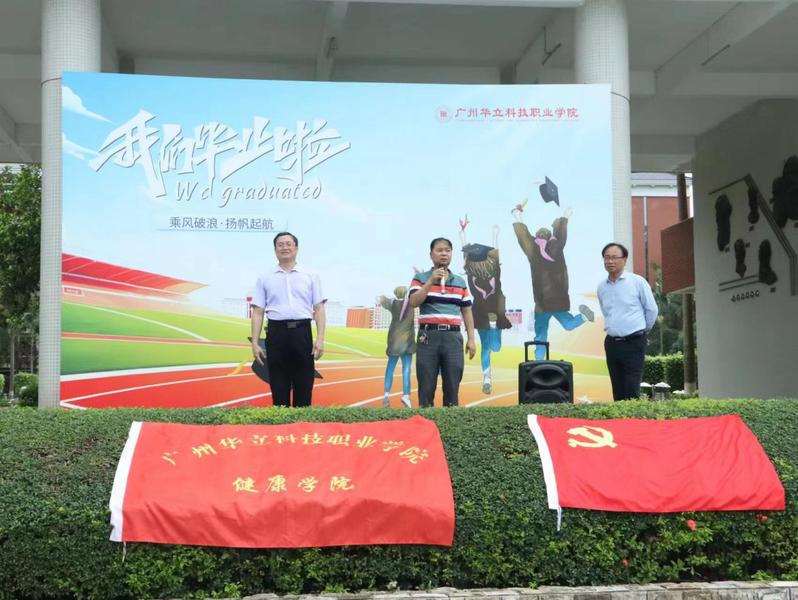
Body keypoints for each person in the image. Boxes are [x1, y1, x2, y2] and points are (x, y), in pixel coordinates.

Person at [250, 231, 326, 407]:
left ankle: (301, 421)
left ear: (296, 248)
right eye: (280, 244)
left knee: (304, 383)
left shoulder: (310, 275)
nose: (284, 247)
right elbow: (258, 311)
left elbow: (319, 308)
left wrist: (320, 339)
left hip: (302, 332)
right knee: (278, 383)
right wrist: (254, 342)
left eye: (288, 244)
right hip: (276, 333)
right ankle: (281, 421)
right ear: (275, 250)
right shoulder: (265, 277)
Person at [512, 202, 594, 360]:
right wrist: (565, 216)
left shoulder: (534, 251)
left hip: (542, 302)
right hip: (558, 300)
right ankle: (583, 317)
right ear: (550, 237)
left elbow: (524, 237)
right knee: (568, 324)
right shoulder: (556, 246)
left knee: (541, 334)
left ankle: (538, 360)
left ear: (537, 237)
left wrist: (518, 216)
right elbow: (560, 234)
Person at [408, 237, 476, 407]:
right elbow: (413, 302)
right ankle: (425, 420)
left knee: (452, 386)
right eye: (439, 250)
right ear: (431, 255)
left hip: (453, 337)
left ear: (451, 254)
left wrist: (471, 339)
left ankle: (451, 420)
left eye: (447, 250)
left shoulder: (460, 282)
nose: (444, 254)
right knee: (426, 386)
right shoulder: (420, 278)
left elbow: (467, 311)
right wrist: (430, 281)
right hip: (428, 336)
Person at [597, 242, 659, 401]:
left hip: (634, 341)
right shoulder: (602, 287)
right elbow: (606, 312)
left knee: (631, 387)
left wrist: (643, 331)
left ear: (624, 260)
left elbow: (651, 310)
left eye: (614, 257)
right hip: (611, 342)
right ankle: (619, 417)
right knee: (617, 388)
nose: (610, 261)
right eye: (607, 258)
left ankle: (633, 416)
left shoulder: (637, 282)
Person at [459, 217, 512, 394]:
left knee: (494, 347)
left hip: (492, 313)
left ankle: (494, 326)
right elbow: (470, 256)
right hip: (484, 314)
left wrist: (494, 235)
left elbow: (474, 256)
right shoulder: (475, 274)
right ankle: (487, 378)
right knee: (488, 347)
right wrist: (463, 235)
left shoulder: (492, 273)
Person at [378, 286, 416, 408]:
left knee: (390, 368)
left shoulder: (392, 304)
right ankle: (406, 396)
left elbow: (380, 298)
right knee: (406, 369)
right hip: (407, 343)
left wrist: (391, 298)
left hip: (394, 342)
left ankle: (386, 395)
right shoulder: (412, 303)